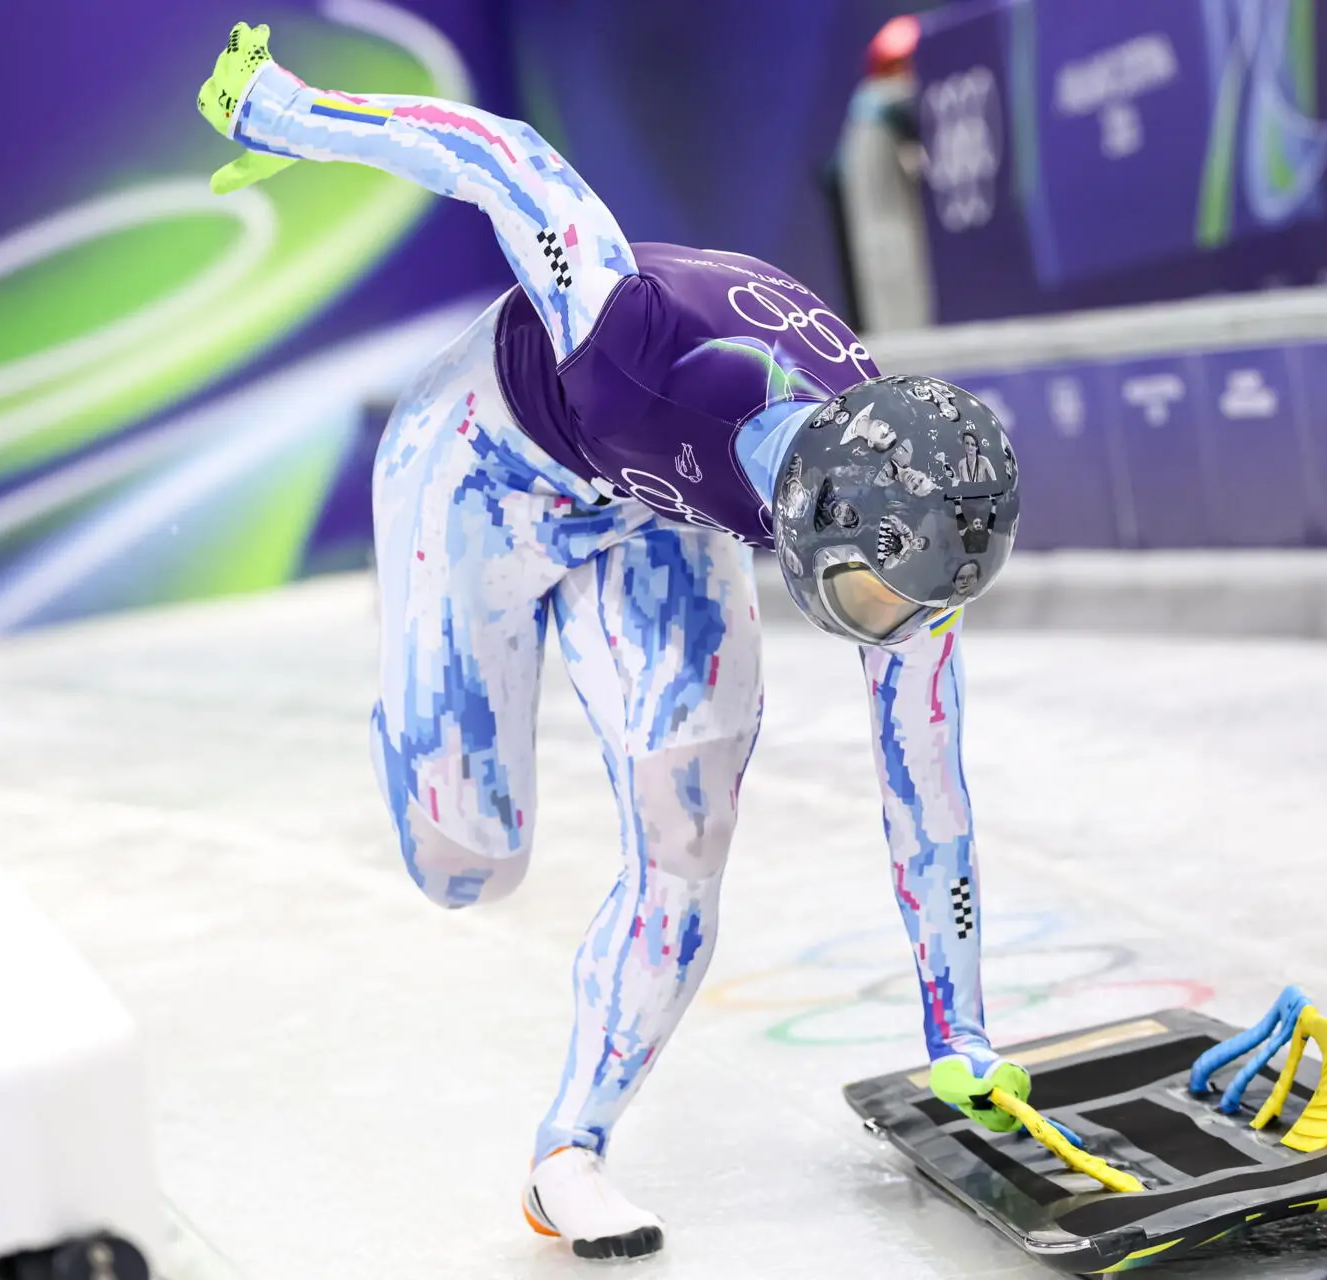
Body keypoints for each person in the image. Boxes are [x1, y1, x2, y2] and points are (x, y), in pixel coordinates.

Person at [196, 24, 1024, 1262]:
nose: (886, 633)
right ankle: (419, 707)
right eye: (867, 604)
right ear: (819, 517)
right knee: (469, 866)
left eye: (903, 611)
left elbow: (931, 797)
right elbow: (502, 158)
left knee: (690, 836)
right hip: (477, 468)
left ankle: (567, 1150)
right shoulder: (628, 329)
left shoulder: (909, 531)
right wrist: (284, 111)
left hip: (648, 515)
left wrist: (962, 1029)